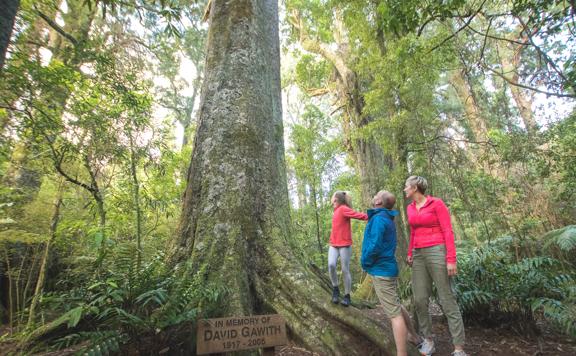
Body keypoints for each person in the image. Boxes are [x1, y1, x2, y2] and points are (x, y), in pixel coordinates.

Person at [404, 176, 467, 356]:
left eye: (407, 187)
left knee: (446, 298)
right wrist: (410, 252)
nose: (405, 190)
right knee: (419, 299)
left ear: (415, 188)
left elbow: (448, 230)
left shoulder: (436, 203)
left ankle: (458, 348)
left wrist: (451, 258)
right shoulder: (409, 208)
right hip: (418, 254)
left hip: (437, 250)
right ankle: (428, 340)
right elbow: (413, 232)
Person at [361, 190, 420, 356]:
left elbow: (374, 245)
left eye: (377, 195)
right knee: (396, 305)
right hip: (387, 268)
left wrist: (365, 262)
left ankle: (402, 353)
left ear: (379, 201)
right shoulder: (385, 217)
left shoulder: (379, 219)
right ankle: (414, 337)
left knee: (394, 315)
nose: (373, 195)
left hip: (382, 270)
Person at [329, 191, 367, 307]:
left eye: (334, 200)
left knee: (345, 269)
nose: (332, 202)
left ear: (338, 200)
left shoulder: (343, 208)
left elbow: (358, 215)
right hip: (333, 244)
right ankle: (335, 289)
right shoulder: (335, 211)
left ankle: (347, 295)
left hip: (344, 244)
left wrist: (372, 216)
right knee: (331, 265)